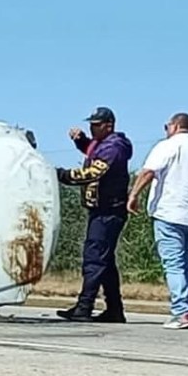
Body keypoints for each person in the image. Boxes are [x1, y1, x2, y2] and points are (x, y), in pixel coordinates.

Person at [127, 113, 188, 330]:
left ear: (176, 126)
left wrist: (133, 195)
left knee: (174, 264)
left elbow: (148, 172)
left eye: (167, 126)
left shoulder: (167, 146)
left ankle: (181, 312)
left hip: (168, 213)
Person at [55, 107, 133, 323]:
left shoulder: (114, 147)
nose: (92, 128)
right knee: (105, 261)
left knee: (94, 258)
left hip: (109, 211)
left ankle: (84, 306)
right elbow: (92, 151)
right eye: (91, 124)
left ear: (109, 125)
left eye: (96, 125)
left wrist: (61, 175)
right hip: (101, 210)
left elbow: (94, 172)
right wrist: (81, 141)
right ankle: (114, 310)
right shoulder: (102, 144)